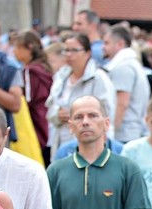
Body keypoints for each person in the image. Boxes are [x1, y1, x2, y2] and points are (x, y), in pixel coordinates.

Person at [46, 32, 115, 160]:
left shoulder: (99, 78)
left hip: (92, 147)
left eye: (74, 50)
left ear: (88, 53)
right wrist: (58, 115)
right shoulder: (61, 77)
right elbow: (50, 111)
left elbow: (108, 115)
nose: (69, 54)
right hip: (61, 144)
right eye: (66, 50)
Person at [11, 30, 53, 165]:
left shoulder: (30, 71)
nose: (14, 51)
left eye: (18, 47)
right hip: (47, 122)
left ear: (29, 48)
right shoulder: (45, 67)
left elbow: (26, 100)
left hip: (36, 123)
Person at [103, 24, 149, 143]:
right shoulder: (130, 63)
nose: (103, 47)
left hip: (123, 134)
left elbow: (121, 104)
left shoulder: (123, 67)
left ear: (120, 44)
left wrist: (110, 133)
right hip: (130, 131)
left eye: (107, 43)